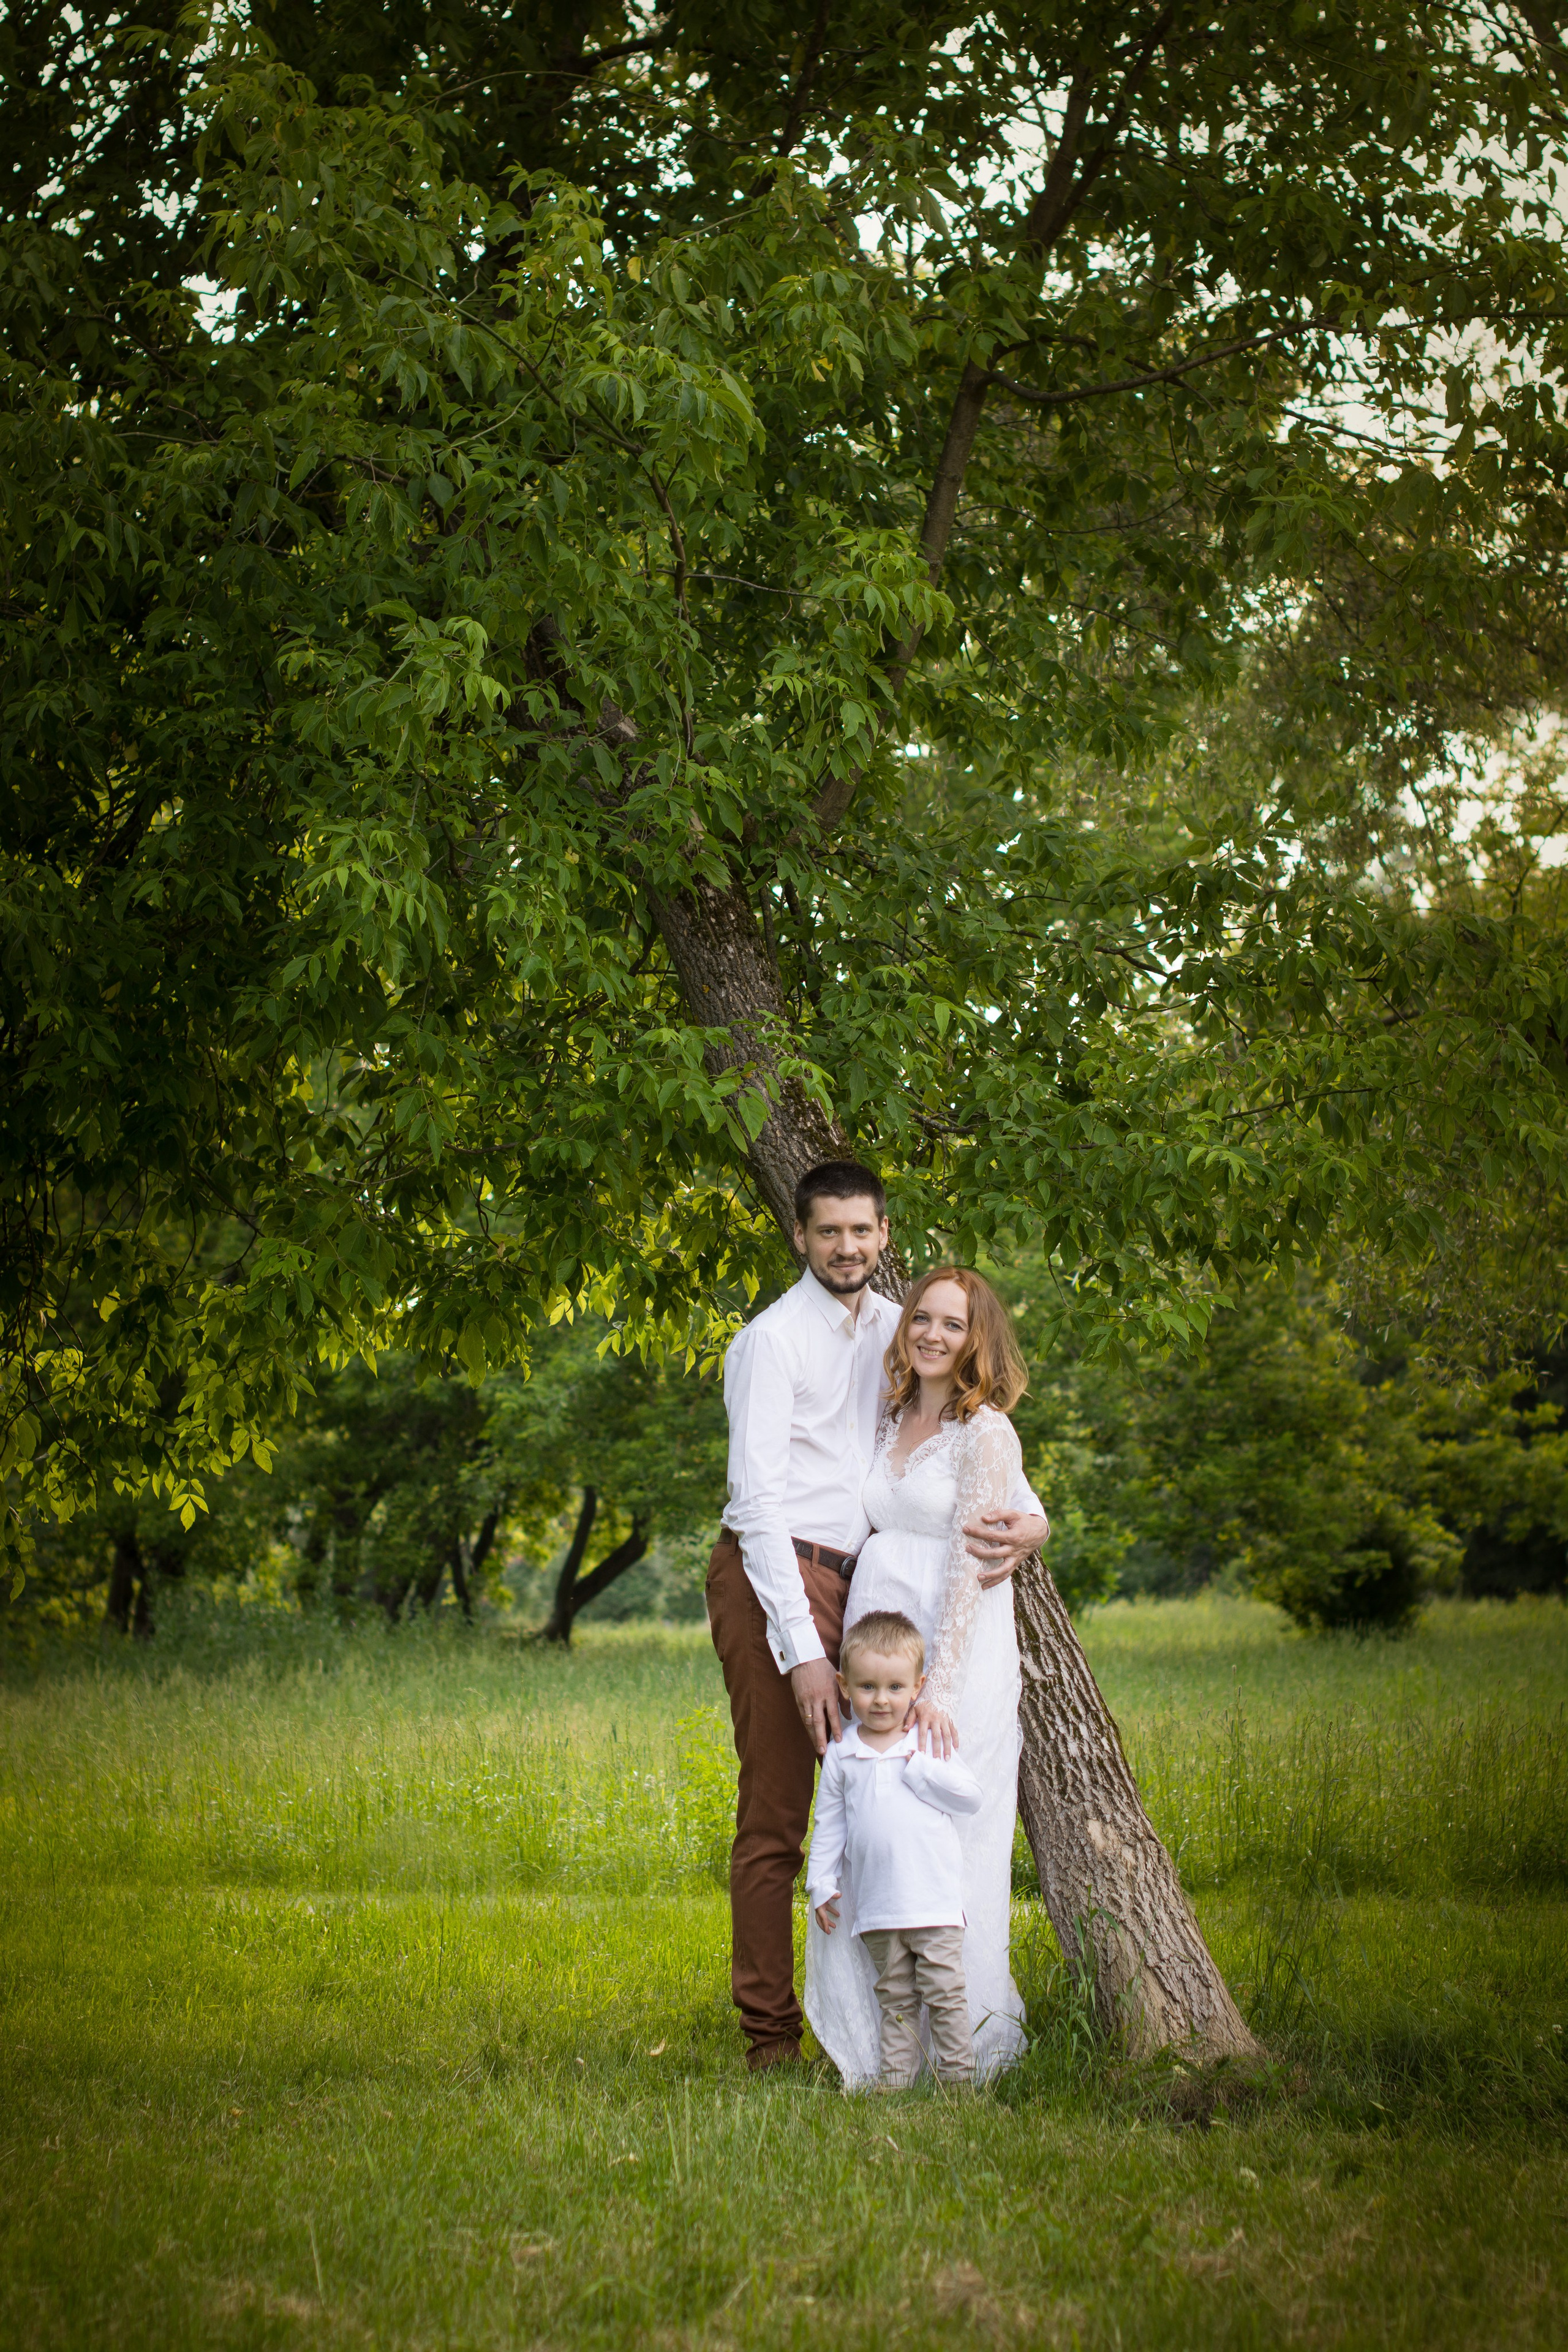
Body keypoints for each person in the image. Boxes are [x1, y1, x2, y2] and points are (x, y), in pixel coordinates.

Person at [707, 1158, 1048, 2071]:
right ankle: (772, 2039)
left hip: (866, 1597)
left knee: (881, 1803)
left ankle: (907, 2028)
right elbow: (754, 1507)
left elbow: (980, 1452)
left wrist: (1038, 1521)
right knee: (780, 1813)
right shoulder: (770, 1344)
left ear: (884, 1234)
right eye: (829, 1232)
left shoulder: (896, 1331)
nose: (847, 1246)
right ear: (801, 1236)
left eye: (862, 1230)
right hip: (776, 1583)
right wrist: (801, 1652)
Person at [804, 1261, 1034, 2086]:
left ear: (979, 1340)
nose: (934, 1335)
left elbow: (978, 1558)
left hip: (951, 1658)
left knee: (943, 1845)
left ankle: (962, 2048)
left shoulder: (987, 1432)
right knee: (872, 1829)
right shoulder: (890, 1414)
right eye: (923, 1320)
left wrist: (938, 1689)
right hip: (878, 1648)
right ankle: (873, 2043)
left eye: (953, 1323)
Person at [806, 1609, 984, 2087]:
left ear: (918, 1686)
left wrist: (920, 1769)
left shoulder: (926, 1744)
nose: (882, 1701)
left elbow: (970, 1797)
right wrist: (820, 1884)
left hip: (934, 1904)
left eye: (895, 1688)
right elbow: (829, 1825)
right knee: (897, 1998)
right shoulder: (843, 1754)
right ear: (844, 1686)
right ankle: (895, 2082)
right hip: (879, 1907)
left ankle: (958, 2080)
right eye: (867, 1687)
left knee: (945, 1993)